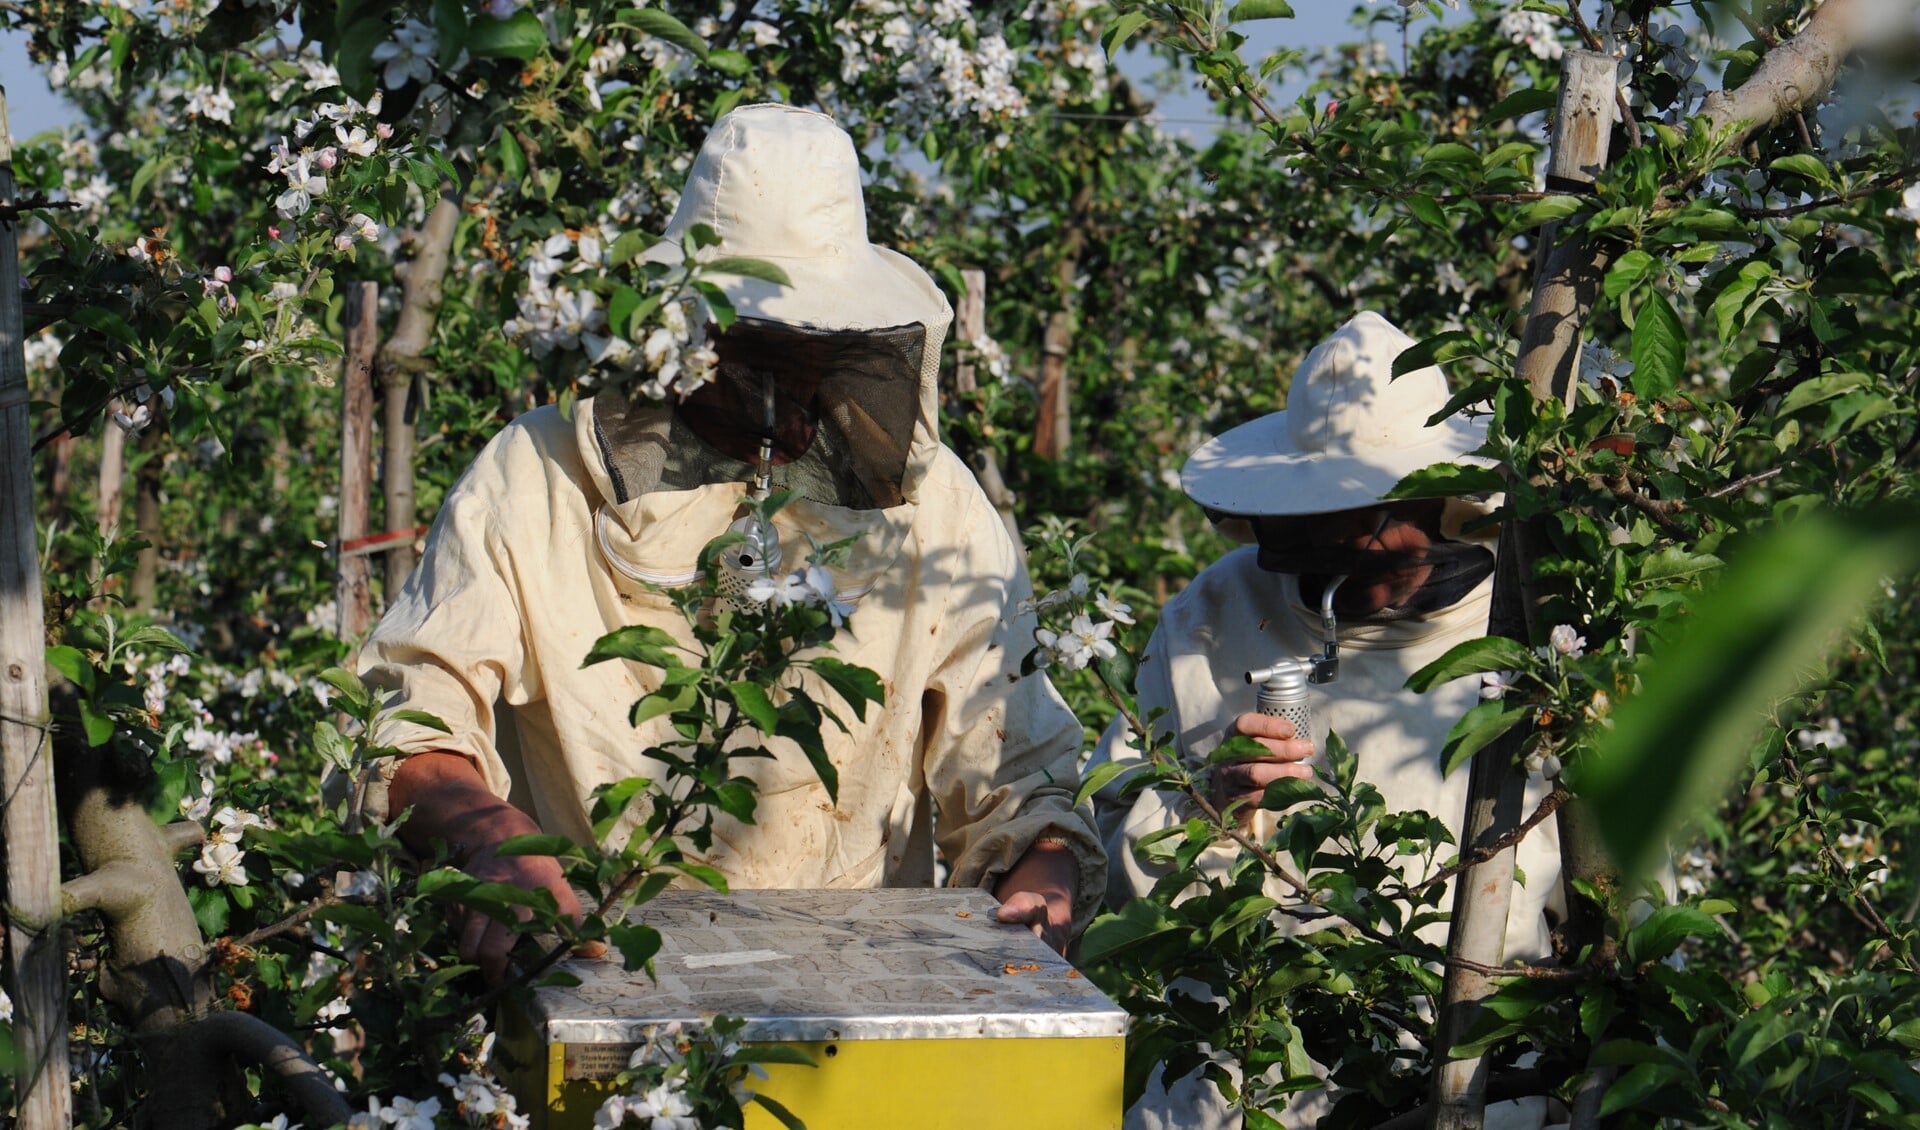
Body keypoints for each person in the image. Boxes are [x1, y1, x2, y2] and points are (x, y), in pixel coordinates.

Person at [358, 104, 1105, 982]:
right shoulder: (536, 474)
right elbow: (408, 707)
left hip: (855, 996)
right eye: (755, 359)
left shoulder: (935, 510)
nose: (783, 402)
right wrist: (485, 834)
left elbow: (1015, 752)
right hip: (592, 969)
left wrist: (1044, 867)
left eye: (815, 359)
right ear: (684, 334)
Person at [1090, 311, 1562, 1129]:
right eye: (1304, 533)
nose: (1320, 562)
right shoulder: (1215, 612)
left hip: (1463, 1082)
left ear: (1442, 502)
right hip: (1234, 1085)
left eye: (1352, 531)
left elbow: (1619, 897)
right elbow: (1113, 852)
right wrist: (1210, 810)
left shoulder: (1542, 636)